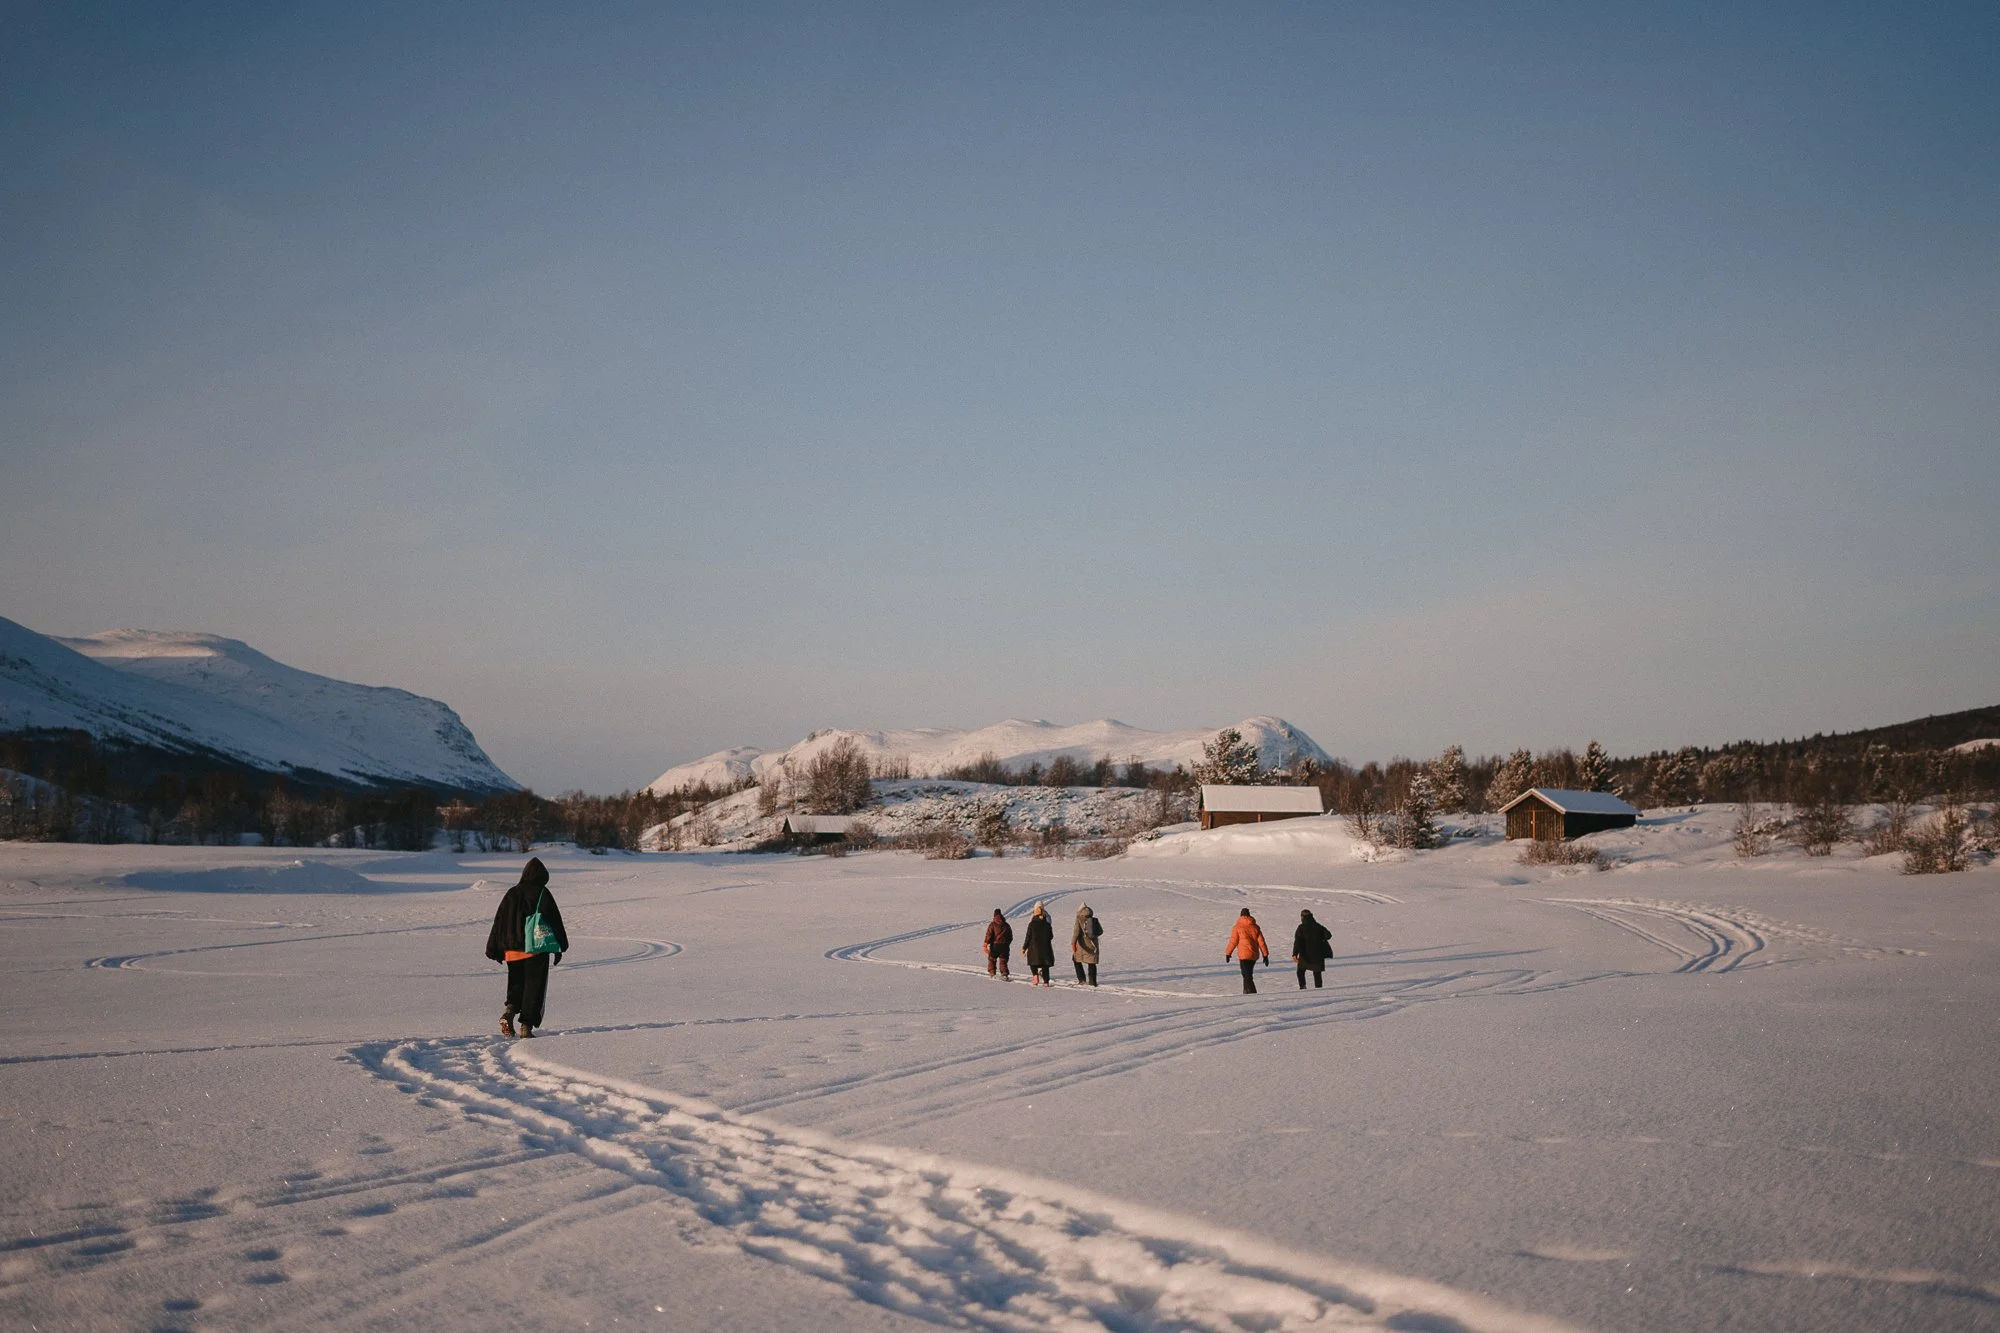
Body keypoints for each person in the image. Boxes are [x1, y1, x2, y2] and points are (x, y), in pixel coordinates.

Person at [484, 857, 568, 1037]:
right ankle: (526, 1027)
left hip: (512, 952)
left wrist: (494, 948)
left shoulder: (511, 893)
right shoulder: (542, 893)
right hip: (536, 949)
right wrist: (560, 946)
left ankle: (508, 1012)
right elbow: (554, 921)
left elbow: (500, 921)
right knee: (534, 988)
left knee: (516, 985)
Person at [1225, 908, 1268, 994]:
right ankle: (1246, 992)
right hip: (1253, 955)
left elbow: (1233, 941)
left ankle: (1252, 993)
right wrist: (1265, 954)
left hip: (1243, 954)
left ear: (1241, 915)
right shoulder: (1255, 927)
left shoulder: (1237, 927)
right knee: (1246, 974)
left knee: (1247, 975)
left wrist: (1228, 953)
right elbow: (1261, 942)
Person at [1291, 908, 1333, 989]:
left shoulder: (1301, 927)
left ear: (1302, 917)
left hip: (1304, 954)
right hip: (1318, 953)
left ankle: (1302, 987)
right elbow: (1328, 935)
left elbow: (1297, 941)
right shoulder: (1318, 926)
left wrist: (1295, 953)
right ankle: (1318, 988)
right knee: (1317, 972)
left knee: (1300, 971)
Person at [1022, 902, 1055, 986]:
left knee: (1033, 962)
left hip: (1034, 947)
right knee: (1045, 965)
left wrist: (1024, 947)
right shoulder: (1047, 924)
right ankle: (1046, 982)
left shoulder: (1031, 924)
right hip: (1045, 947)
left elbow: (1028, 937)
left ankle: (1035, 976)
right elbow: (1051, 936)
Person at [1072, 903, 1104, 986]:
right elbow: (1100, 931)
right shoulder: (1093, 919)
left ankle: (1081, 979)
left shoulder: (1079, 918)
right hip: (1093, 944)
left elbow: (1076, 932)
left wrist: (1073, 943)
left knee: (1076, 960)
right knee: (1091, 963)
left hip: (1082, 945)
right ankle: (1092, 982)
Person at [983, 908, 1014, 980]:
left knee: (992, 959)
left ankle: (992, 973)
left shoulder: (992, 924)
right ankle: (1004, 974)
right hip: (1005, 946)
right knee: (1003, 961)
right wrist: (1006, 943)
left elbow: (989, 935)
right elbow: (1010, 937)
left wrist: (986, 943)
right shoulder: (1006, 925)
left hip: (995, 946)